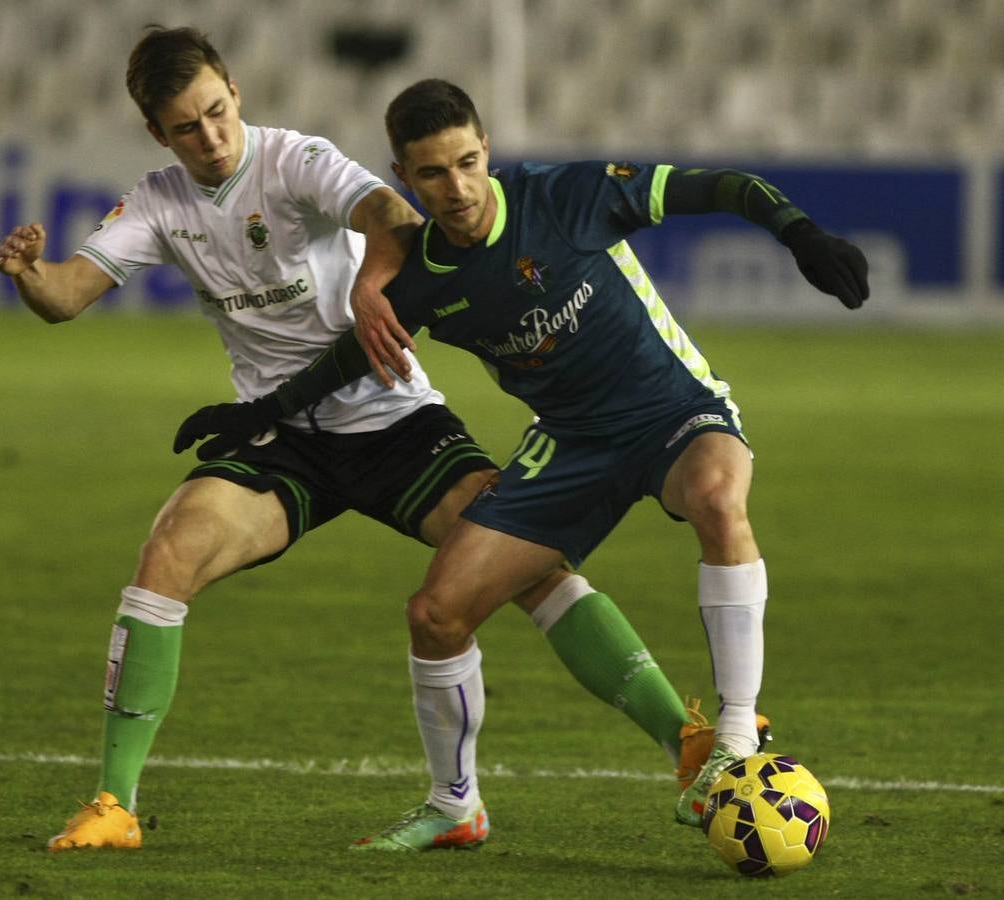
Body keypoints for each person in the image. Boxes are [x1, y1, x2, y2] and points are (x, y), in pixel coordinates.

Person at [0, 29, 731, 854]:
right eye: (184, 128)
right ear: (157, 136)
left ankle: (689, 744)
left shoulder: (294, 159)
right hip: (278, 434)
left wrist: (373, 288)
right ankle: (113, 806)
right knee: (166, 555)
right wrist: (31, 276)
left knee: (530, 570)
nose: (208, 138)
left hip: (393, 420)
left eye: (214, 113)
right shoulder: (159, 200)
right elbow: (66, 297)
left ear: (235, 92)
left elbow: (389, 213)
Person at [176, 77, 868, 845]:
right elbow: (350, 359)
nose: (458, 187)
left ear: (487, 152)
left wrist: (799, 232)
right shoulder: (424, 278)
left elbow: (723, 186)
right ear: (403, 179)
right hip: (569, 442)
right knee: (435, 616)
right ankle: (453, 806)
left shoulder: (567, 195)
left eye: (468, 162)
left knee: (714, 495)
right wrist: (260, 411)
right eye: (433, 174)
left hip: (672, 412)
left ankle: (734, 740)